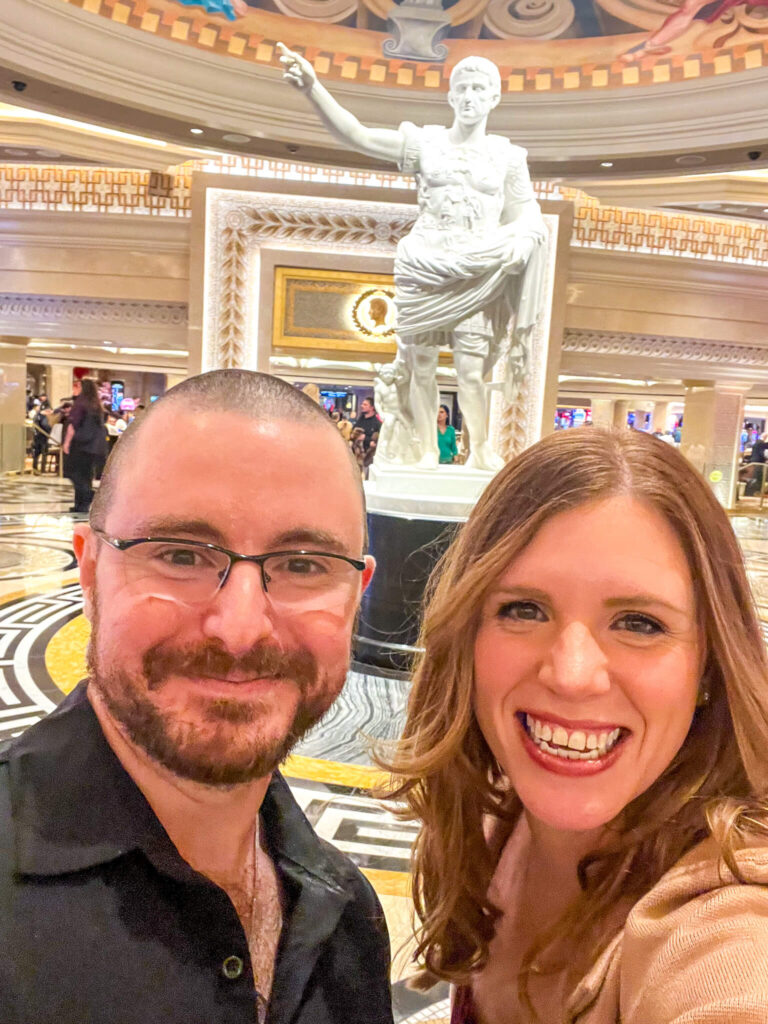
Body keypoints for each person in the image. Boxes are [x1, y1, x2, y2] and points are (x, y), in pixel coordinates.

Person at [0, 369, 393, 1024]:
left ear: (356, 595)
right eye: (180, 554)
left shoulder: (350, 921)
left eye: (301, 565)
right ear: (90, 572)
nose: (240, 628)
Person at [385, 427, 768, 1023]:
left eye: (639, 623)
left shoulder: (727, 913)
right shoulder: (498, 816)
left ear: (710, 668)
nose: (571, 674)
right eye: (524, 609)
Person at [279, 45, 547, 472]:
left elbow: (525, 210)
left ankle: (479, 448)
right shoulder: (427, 144)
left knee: (471, 371)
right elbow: (359, 135)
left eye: (480, 88)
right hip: (424, 264)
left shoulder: (509, 157)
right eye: (462, 88)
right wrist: (314, 89)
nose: (470, 96)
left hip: (477, 270)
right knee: (419, 366)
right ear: (451, 96)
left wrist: (524, 236)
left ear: (495, 98)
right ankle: (425, 450)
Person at [32, 403, 52, 474]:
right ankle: (39, 470)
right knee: (41, 453)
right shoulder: (42, 417)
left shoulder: (37, 416)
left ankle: (38, 469)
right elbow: (46, 426)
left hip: (40, 437)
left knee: (39, 454)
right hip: (42, 438)